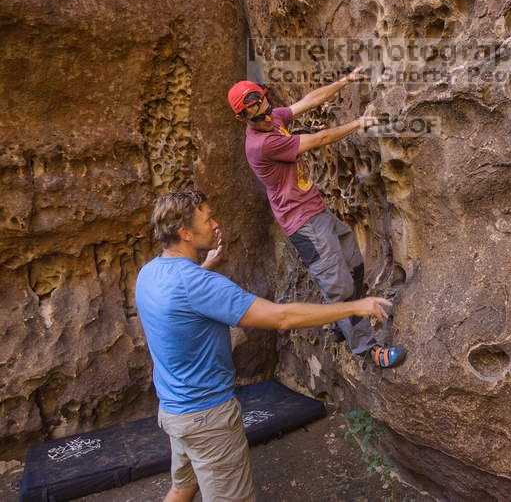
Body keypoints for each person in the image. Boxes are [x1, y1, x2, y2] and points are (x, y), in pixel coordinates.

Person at [135, 190, 392, 502]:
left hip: (174, 412)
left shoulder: (150, 274)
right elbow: (281, 317)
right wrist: (354, 307)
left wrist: (205, 265)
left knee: (182, 488)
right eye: (207, 219)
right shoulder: (200, 285)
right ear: (185, 233)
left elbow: (180, 297)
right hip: (208, 419)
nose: (216, 223)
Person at [227, 68, 406, 369]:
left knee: (355, 263)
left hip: (316, 212)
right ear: (243, 118)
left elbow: (307, 102)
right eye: (253, 112)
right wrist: (359, 123)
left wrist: (345, 81)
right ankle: (368, 350)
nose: (264, 114)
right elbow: (319, 139)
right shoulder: (261, 144)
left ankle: (338, 321)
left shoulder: (274, 120)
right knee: (340, 288)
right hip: (303, 223)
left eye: (262, 105)